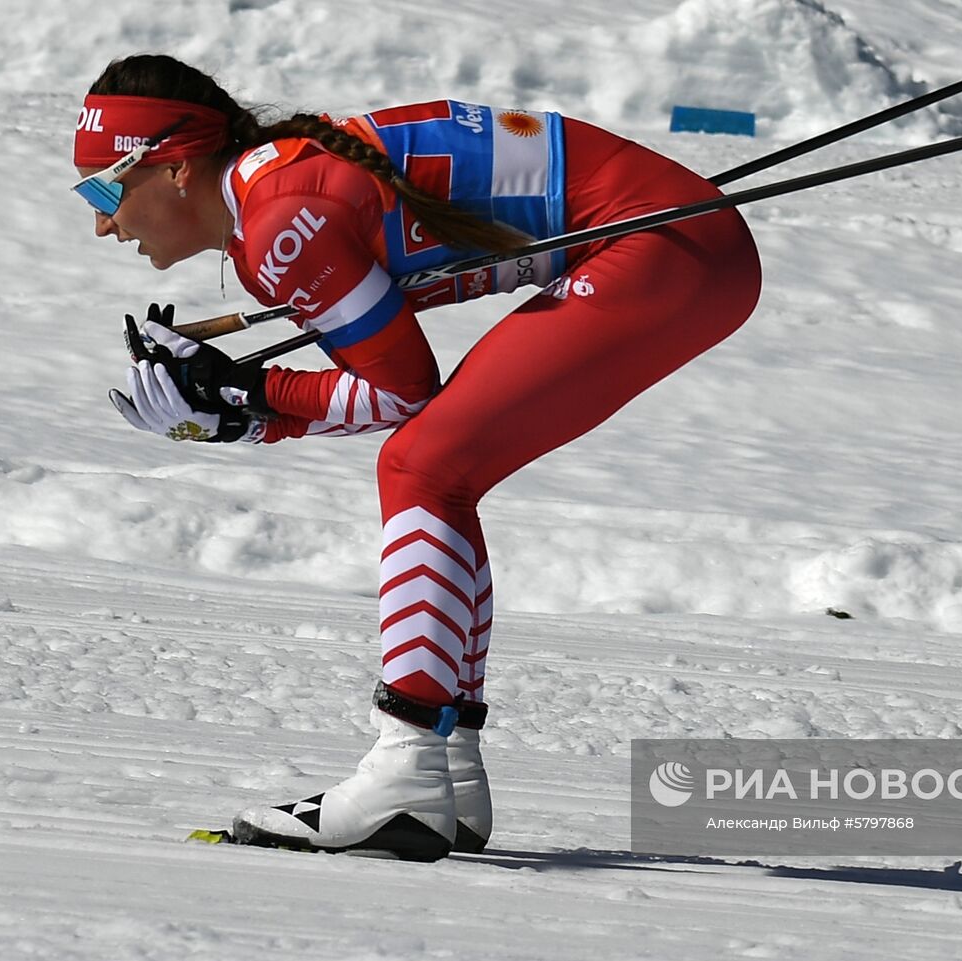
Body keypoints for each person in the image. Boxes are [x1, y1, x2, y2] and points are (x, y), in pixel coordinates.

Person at [72, 53, 761, 861]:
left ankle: (407, 764)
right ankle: (446, 769)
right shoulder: (274, 194)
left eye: (104, 191)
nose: (102, 224)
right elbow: (391, 391)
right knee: (437, 467)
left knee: (422, 467)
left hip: (666, 247)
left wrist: (247, 403)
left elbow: (399, 392)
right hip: (678, 238)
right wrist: (249, 405)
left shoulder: (280, 222)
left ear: (177, 168)